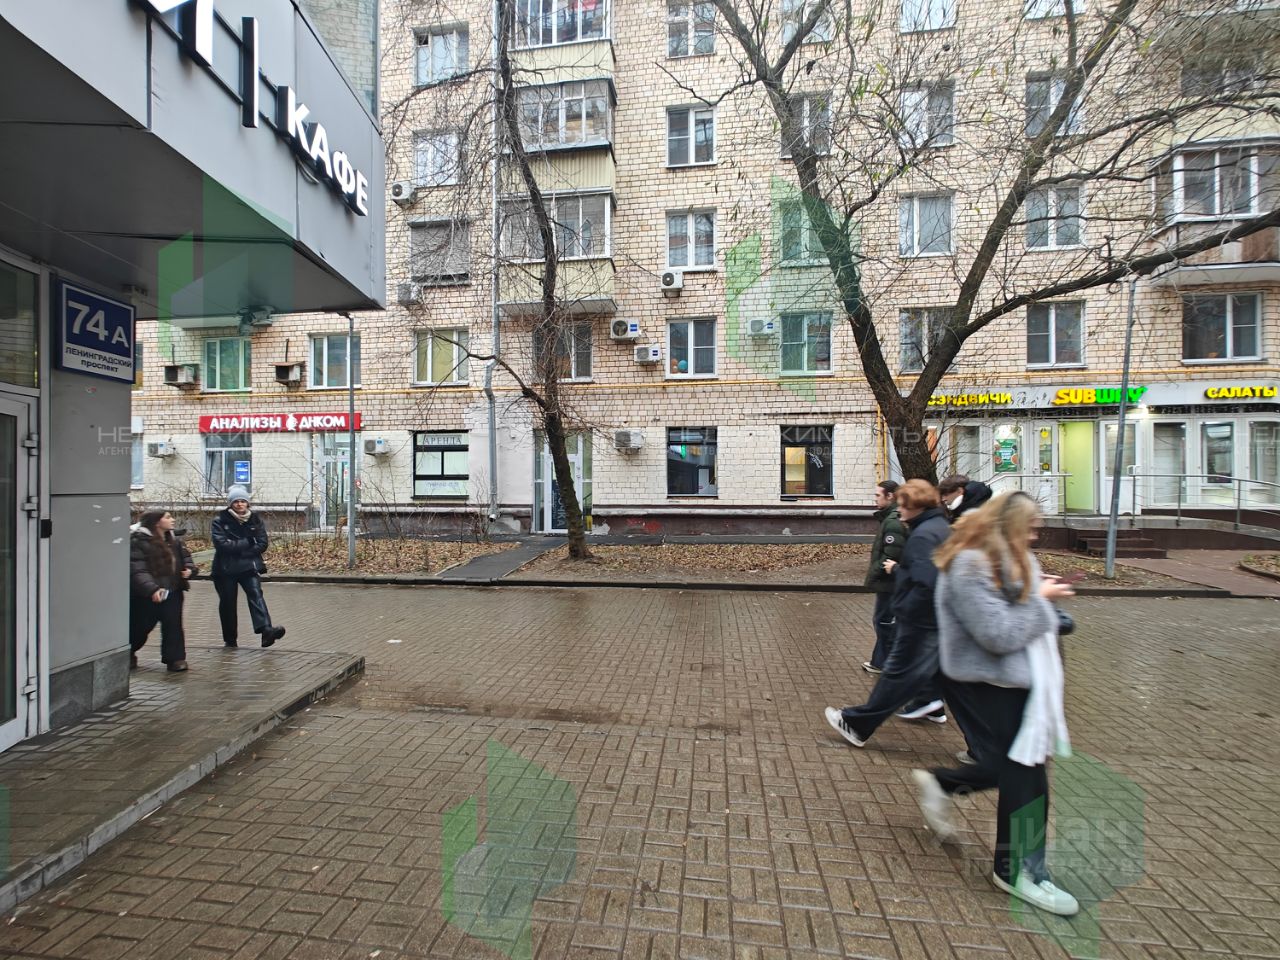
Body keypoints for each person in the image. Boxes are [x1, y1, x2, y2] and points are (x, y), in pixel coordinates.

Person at [909, 491, 1080, 916]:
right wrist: (1043, 602)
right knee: (1024, 774)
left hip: (1018, 683)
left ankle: (945, 785)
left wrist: (1044, 602)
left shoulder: (1013, 556)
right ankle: (1016, 870)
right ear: (1009, 525)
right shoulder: (970, 563)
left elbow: (1021, 605)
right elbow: (997, 634)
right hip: (985, 682)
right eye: (1031, 528)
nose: (1035, 536)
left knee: (1015, 768)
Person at [824, 479, 952, 745]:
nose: (899, 510)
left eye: (903, 505)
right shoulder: (939, 527)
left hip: (920, 619)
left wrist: (903, 601)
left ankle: (857, 725)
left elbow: (925, 581)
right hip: (936, 618)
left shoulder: (923, 536)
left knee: (896, 674)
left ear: (915, 505)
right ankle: (941, 712)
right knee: (942, 678)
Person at [212, 485, 286, 648]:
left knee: (256, 595)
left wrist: (242, 550)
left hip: (249, 566)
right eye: (236, 501)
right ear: (230, 504)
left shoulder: (255, 520)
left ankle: (266, 631)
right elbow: (222, 545)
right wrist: (248, 542)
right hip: (225, 569)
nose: (239, 504)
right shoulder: (220, 521)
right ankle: (230, 639)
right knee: (228, 603)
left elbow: (262, 543)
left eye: (243, 501)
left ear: (247, 503)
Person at [129, 510, 196, 672]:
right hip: (147, 594)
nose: (172, 520)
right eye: (168, 517)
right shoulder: (139, 541)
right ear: (156, 522)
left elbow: (186, 559)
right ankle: (128, 652)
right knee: (140, 626)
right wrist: (151, 589)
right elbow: (137, 570)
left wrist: (189, 570)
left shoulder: (174, 540)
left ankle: (175, 659)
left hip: (173, 590)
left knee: (173, 625)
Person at [863, 480, 907, 674]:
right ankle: (880, 661)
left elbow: (891, 554)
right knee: (885, 621)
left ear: (890, 496)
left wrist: (876, 572)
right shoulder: (890, 517)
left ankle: (884, 663)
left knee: (884, 621)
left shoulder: (893, 520)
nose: (875, 499)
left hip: (889, 582)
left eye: (878, 495)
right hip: (890, 582)